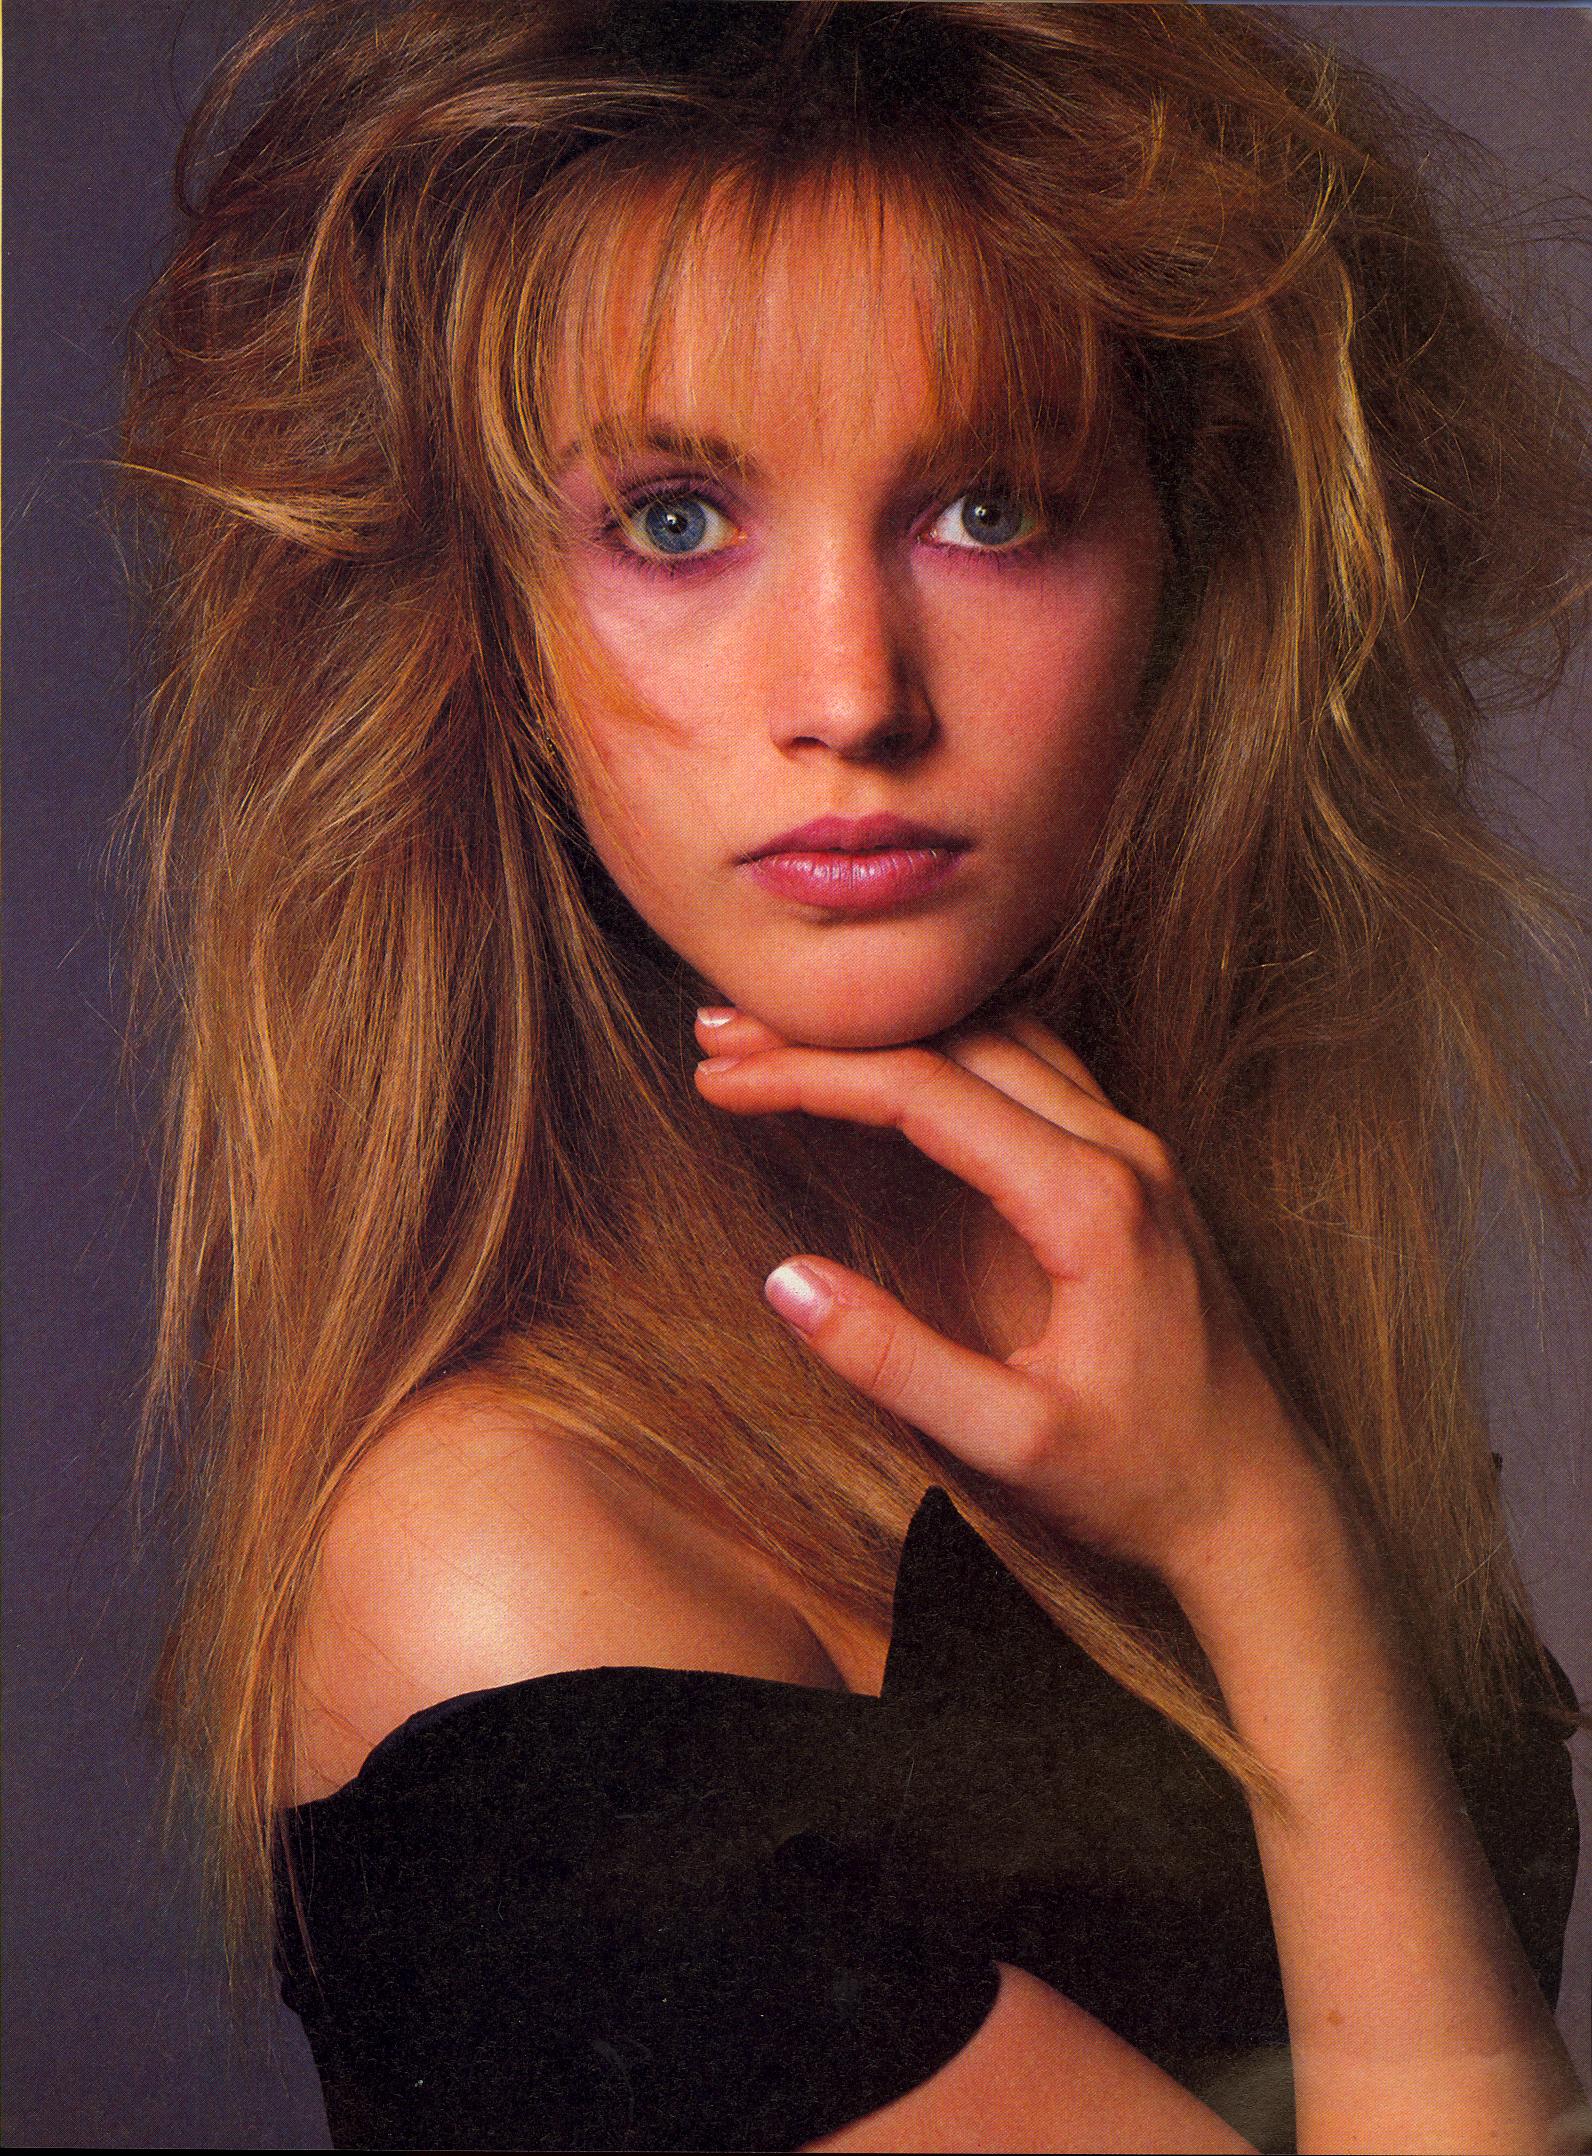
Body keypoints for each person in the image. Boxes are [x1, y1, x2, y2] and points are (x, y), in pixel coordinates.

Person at [118, 2, 1590, 2150]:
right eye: (676, 520)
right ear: (488, 628)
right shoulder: (503, 1580)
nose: (850, 691)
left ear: (1186, 565)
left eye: (989, 507)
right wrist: (1263, 1542)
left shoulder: (1163, 1302)